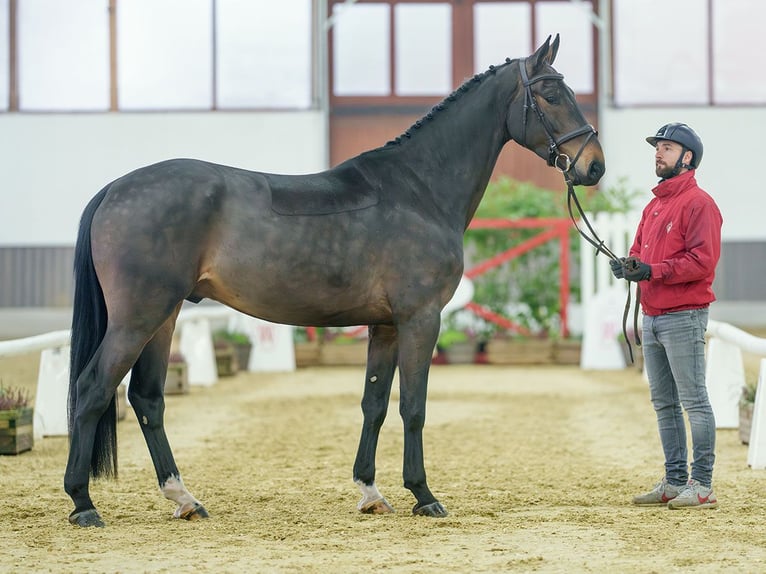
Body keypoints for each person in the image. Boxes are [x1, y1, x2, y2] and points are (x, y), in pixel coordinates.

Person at [610, 123, 723, 509]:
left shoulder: (700, 204)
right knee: (664, 404)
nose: (658, 153)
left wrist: (652, 271)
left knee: (694, 401)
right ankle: (675, 481)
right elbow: (640, 251)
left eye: (667, 147)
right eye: (658, 147)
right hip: (652, 316)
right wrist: (629, 266)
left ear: (687, 157)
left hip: (684, 315)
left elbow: (702, 262)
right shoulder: (654, 205)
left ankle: (702, 484)